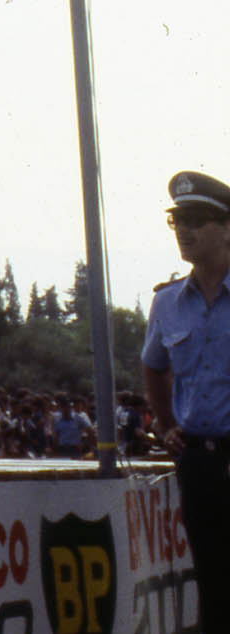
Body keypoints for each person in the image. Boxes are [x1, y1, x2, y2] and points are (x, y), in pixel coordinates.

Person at [142, 169, 230, 631]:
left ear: (228, 227)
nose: (187, 231)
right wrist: (164, 422)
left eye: (198, 219)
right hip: (200, 463)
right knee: (214, 585)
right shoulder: (168, 302)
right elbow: (154, 365)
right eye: (179, 220)